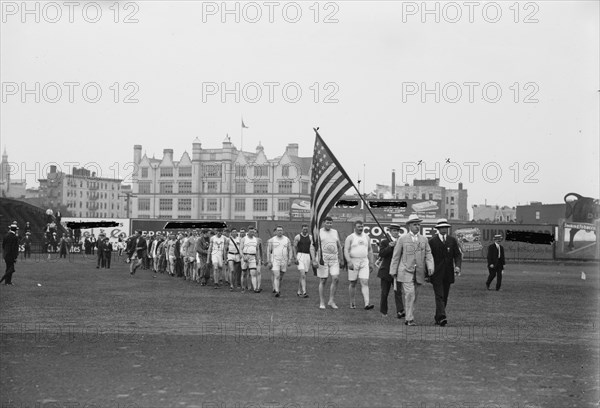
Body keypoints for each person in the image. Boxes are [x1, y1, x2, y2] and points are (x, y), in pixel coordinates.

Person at [389, 214, 434, 326]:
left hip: (419, 272)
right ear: (409, 225)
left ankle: (409, 316)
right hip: (405, 271)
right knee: (409, 294)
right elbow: (396, 256)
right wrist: (393, 271)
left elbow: (428, 254)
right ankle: (409, 319)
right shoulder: (402, 239)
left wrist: (430, 266)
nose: (417, 226)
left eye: (418, 224)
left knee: (415, 296)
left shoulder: (424, 239)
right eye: (415, 224)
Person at [428, 218, 462, 326]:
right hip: (436, 273)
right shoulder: (432, 241)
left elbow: (457, 255)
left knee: (445, 296)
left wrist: (457, 266)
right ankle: (442, 316)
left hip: (448, 273)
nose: (444, 229)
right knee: (439, 296)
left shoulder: (452, 240)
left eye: (446, 227)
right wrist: (427, 272)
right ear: (438, 229)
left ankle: (438, 317)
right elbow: (428, 258)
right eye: (442, 227)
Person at [344, 220, 375, 310]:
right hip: (353, 261)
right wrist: (349, 261)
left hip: (364, 261)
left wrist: (371, 263)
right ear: (355, 227)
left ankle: (367, 303)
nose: (361, 228)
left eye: (362, 226)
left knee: (365, 282)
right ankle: (352, 302)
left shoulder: (367, 237)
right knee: (353, 282)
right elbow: (346, 250)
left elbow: (370, 250)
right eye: (359, 227)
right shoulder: (350, 238)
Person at [314, 216, 344, 310]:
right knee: (323, 280)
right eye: (327, 222)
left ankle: (331, 300)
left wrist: (341, 258)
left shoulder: (335, 232)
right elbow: (313, 246)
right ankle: (322, 302)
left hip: (334, 258)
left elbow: (339, 246)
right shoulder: (319, 232)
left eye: (331, 223)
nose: (329, 224)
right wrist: (314, 259)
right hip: (323, 258)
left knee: (335, 278)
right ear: (323, 223)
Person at [378, 224, 405, 319]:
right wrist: (389, 247)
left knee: (398, 292)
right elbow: (381, 254)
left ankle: (400, 311)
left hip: (398, 271)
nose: (396, 232)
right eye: (394, 231)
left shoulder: (402, 241)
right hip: (386, 271)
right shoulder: (385, 242)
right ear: (390, 231)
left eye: (397, 231)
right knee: (384, 293)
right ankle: (383, 311)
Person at [266, 226, 293, 297]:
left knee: (280, 277)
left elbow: (290, 249)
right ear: (276, 231)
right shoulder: (272, 240)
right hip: (275, 260)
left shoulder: (287, 239)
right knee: (277, 275)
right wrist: (269, 261)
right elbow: (268, 251)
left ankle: (277, 288)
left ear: (283, 231)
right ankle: (277, 291)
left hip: (284, 260)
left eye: (281, 230)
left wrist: (290, 259)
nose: (280, 231)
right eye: (278, 230)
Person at [293, 224, 316, 298]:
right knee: (302, 273)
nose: (305, 230)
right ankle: (304, 292)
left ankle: (299, 291)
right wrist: (295, 257)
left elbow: (312, 249)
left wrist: (313, 259)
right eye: (304, 229)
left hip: (307, 256)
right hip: (300, 255)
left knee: (303, 275)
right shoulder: (298, 237)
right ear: (301, 229)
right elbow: (294, 247)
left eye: (306, 229)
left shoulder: (310, 237)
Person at [240, 226, 263, 293]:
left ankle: (255, 288)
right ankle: (243, 287)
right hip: (245, 256)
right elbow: (240, 249)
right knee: (244, 273)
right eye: (251, 231)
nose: (252, 233)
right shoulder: (244, 239)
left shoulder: (256, 239)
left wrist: (257, 258)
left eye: (253, 231)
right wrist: (243, 256)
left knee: (253, 273)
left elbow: (257, 250)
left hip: (253, 257)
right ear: (248, 232)